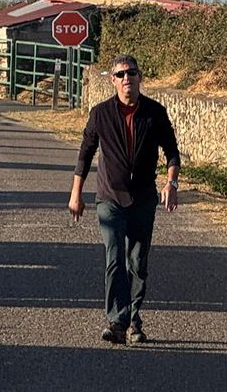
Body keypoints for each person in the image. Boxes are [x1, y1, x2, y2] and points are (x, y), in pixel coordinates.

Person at [69, 54, 180, 345]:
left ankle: (134, 319)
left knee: (138, 262)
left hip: (143, 198)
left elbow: (172, 151)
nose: (126, 78)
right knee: (114, 258)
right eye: (120, 74)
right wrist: (76, 194)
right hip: (110, 197)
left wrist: (171, 183)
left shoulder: (155, 112)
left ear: (139, 77)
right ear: (112, 80)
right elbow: (85, 153)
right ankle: (117, 321)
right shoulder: (101, 113)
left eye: (131, 73)